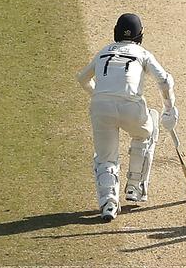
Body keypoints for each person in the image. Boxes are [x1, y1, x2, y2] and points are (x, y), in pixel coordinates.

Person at [76, 13, 179, 221]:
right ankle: (134, 187)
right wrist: (169, 109)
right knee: (147, 130)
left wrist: (100, 95)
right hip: (131, 106)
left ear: (115, 32)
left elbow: (82, 78)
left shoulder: (104, 51)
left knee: (105, 158)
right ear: (140, 35)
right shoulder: (142, 53)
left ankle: (108, 204)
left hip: (100, 107)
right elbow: (165, 81)